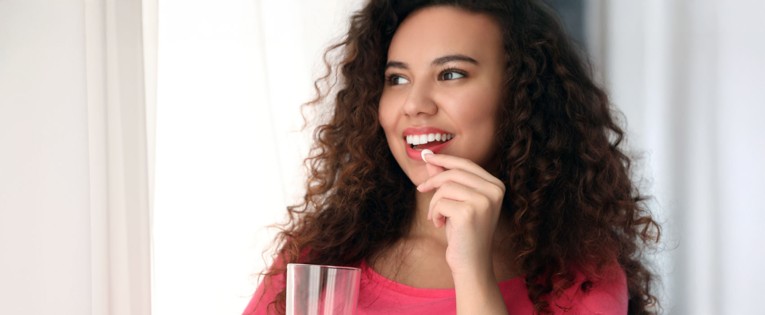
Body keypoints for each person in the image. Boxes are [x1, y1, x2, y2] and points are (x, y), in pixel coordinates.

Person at [244, 0, 661, 314]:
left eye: (451, 74)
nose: (415, 103)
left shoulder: (579, 277)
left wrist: (472, 270)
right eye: (397, 78)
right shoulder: (317, 256)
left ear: (521, 95)